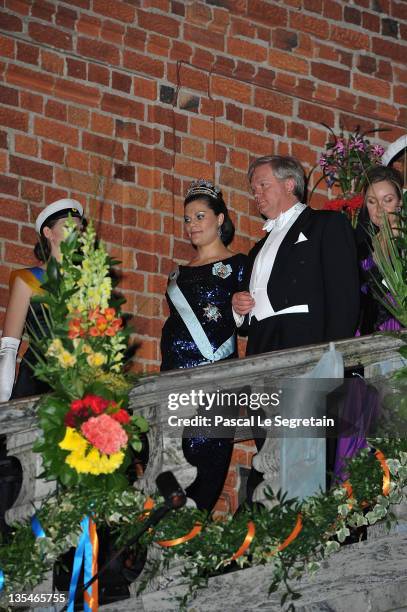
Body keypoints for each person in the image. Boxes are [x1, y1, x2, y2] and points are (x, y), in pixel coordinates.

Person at [160, 179, 247, 511]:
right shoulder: (177, 275)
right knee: (170, 464)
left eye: (199, 216)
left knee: (205, 465)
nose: (192, 225)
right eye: (187, 219)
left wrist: (240, 311)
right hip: (172, 379)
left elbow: (247, 323)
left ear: (220, 220)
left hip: (215, 381)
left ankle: (192, 535)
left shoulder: (238, 265)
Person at [232, 155, 360, 355]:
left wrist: (334, 352)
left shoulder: (326, 224)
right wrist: (240, 308)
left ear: (289, 184)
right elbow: (245, 324)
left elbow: (344, 296)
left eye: (263, 185)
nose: (256, 194)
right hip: (260, 344)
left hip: (305, 339)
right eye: (254, 190)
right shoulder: (256, 249)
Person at [0, 199, 83, 402]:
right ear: (48, 233)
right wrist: (2, 399)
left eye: (80, 228)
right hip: (38, 379)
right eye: (68, 226)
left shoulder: (90, 282)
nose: (77, 233)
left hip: (79, 381)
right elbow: (9, 347)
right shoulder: (27, 280)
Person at [356, 165, 404, 334]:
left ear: (400, 202)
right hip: (366, 329)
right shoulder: (365, 245)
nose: (379, 208)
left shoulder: (404, 242)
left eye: (387, 200)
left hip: (397, 329)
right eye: (372, 201)